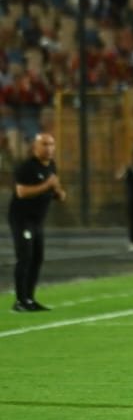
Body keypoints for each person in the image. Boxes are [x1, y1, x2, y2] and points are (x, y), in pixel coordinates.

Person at [9, 132, 67, 312]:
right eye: (44, 144)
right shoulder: (27, 167)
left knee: (37, 258)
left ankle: (30, 298)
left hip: (37, 221)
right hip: (22, 219)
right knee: (25, 257)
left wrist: (59, 193)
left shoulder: (52, 166)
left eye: (51, 144)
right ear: (35, 147)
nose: (49, 148)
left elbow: (54, 189)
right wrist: (47, 185)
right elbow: (22, 192)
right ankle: (20, 301)